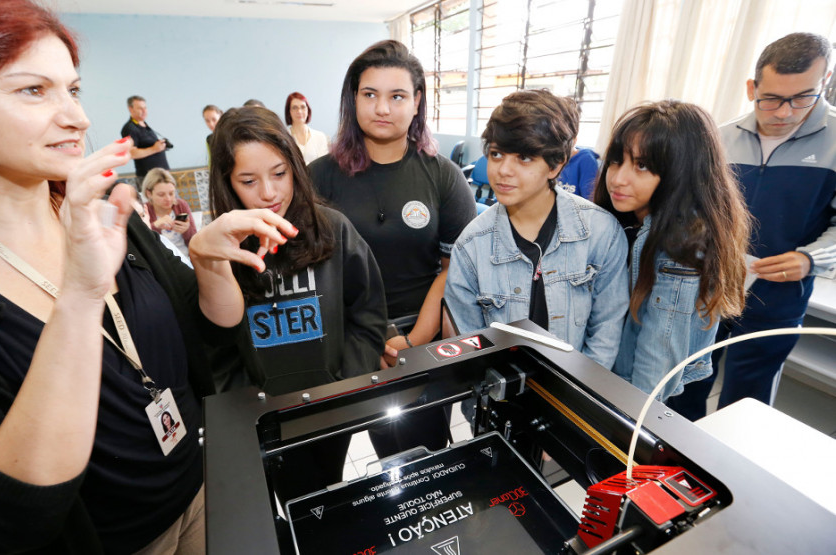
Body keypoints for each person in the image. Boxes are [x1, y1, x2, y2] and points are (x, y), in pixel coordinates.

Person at [0, 1, 296, 552]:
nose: (78, 117)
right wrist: (80, 294)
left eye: (72, 90)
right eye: (33, 90)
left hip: (206, 487)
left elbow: (214, 333)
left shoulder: (107, 214)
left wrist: (210, 262)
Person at [207, 106, 386, 500]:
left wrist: (346, 386)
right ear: (227, 183)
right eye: (248, 180)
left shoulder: (334, 228)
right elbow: (217, 348)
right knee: (284, 501)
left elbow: (368, 316)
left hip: (330, 406)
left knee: (327, 496)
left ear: (296, 168)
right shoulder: (223, 251)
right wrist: (247, 408)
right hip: (265, 418)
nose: (269, 193)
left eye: (279, 174)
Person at [309, 40, 476, 456]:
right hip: (350, 338)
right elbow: (316, 271)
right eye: (370, 95)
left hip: (425, 336)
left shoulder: (443, 176)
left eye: (397, 96)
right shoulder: (319, 178)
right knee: (384, 446)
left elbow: (453, 267)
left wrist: (415, 340)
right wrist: (376, 338)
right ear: (353, 99)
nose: (382, 108)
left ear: (417, 102)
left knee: (429, 451)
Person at [672, 33, 836, 418]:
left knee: (748, 398)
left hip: (779, 295)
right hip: (710, 285)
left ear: (825, 81)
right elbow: (695, 209)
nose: (785, 112)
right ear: (752, 88)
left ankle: (735, 471)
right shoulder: (721, 138)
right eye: (773, 98)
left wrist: (809, 259)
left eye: (802, 98)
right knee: (687, 382)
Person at [445, 90, 628, 370]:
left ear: (556, 165)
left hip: (575, 392)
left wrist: (579, 394)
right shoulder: (471, 247)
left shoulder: (601, 233)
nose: (503, 170)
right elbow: (472, 345)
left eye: (524, 158)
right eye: (496, 154)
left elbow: (606, 330)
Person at [592, 100, 751, 402]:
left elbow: (657, 359)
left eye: (642, 165)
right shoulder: (627, 220)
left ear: (682, 172)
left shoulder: (680, 244)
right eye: (616, 160)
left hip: (633, 390)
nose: (618, 178)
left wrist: (629, 421)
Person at [143, 167, 198, 258]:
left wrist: (187, 230)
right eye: (161, 195)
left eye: (171, 193)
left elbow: (194, 240)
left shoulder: (181, 205)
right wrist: (154, 226)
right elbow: (144, 243)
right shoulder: (144, 210)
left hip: (186, 256)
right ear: (149, 194)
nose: (168, 199)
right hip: (162, 259)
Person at [121, 95, 170, 181]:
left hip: (162, 174)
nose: (144, 111)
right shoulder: (129, 128)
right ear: (130, 109)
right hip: (149, 177)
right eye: (140, 108)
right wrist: (155, 149)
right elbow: (132, 153)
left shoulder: (145, 125)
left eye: (145, 108)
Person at [285, 92, 329, 164]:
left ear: (308, 110)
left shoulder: (320, 137)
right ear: (289, 112)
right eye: (294, 108)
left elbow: (324, 165)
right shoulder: (284, 137)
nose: (299, 111)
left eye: (303, 107)